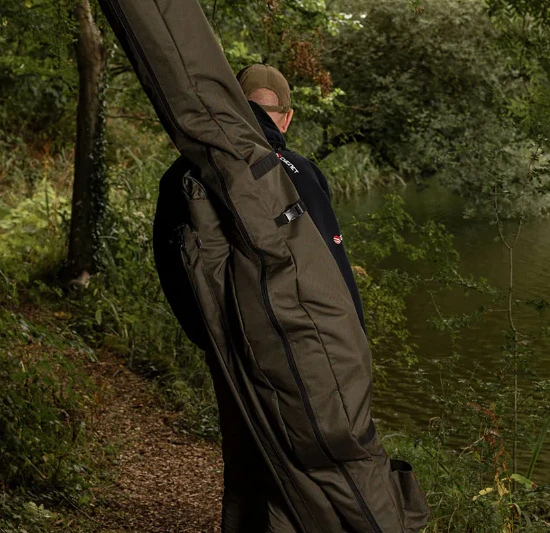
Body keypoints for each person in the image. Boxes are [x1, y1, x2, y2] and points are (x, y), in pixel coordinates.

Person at [202, 64, 369, 532]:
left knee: (244, 460)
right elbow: (334, 270)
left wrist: (213, 339)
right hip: (300, 346)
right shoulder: (301, 174)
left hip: (231, 345)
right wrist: (355, 342)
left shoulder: (196, 168)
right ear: (288, 117)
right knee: (300, 465)